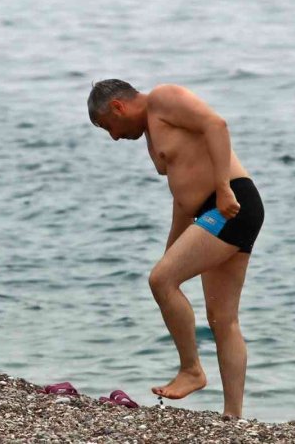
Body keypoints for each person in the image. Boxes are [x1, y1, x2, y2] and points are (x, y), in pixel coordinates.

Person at [87, 80, 264, 418]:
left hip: (228, 204)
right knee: (222, 318)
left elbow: (216, 124)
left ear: (117, 107)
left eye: (108, 127)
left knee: (161, 281)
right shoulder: (153, 134)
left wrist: (225, 189)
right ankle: (233, 416)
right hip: (209, 212)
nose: (113, 137)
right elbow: (183, 199)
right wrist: (173, 247)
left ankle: (192, 370)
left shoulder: (164, 98)